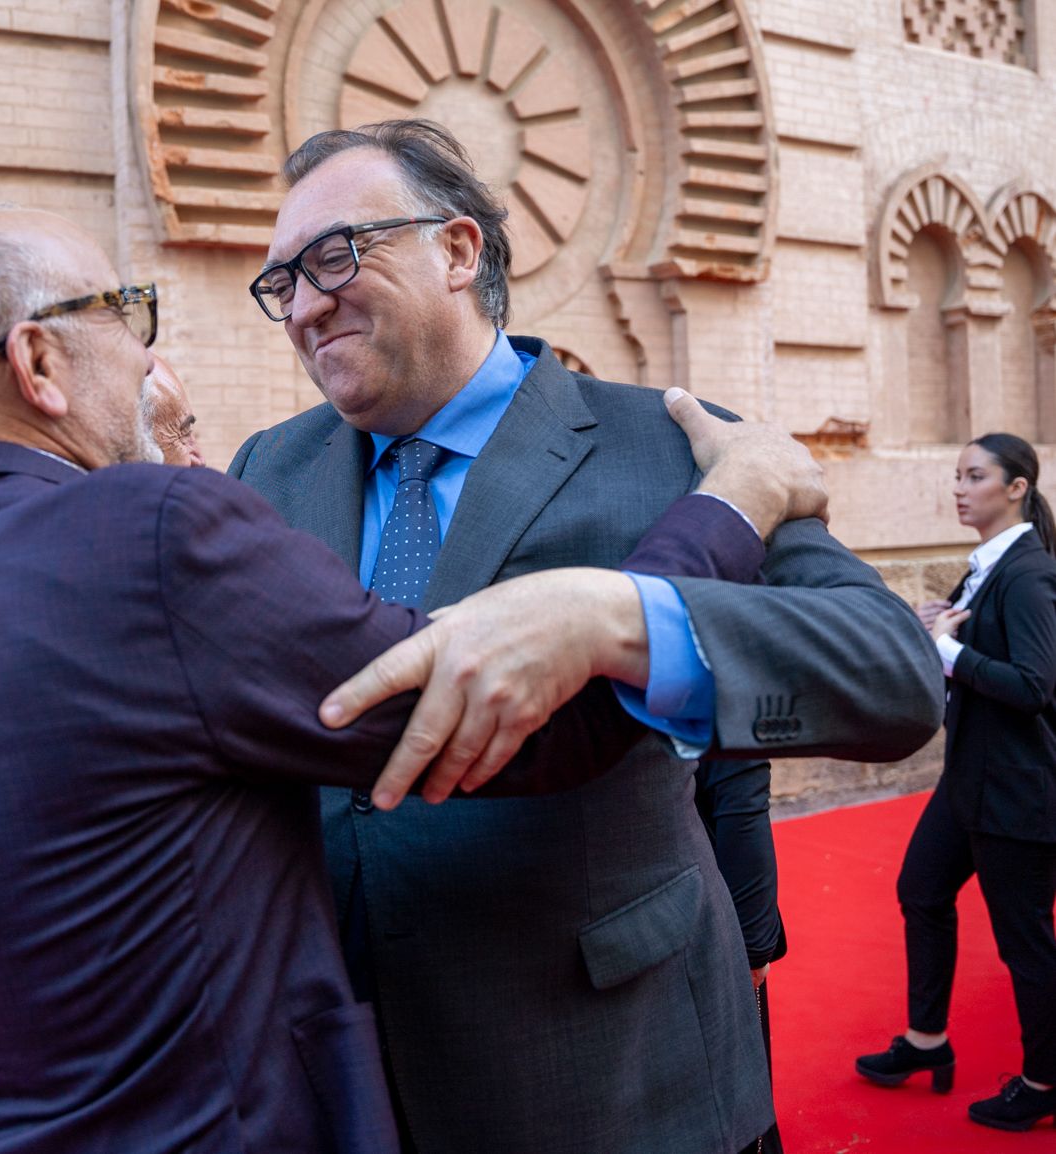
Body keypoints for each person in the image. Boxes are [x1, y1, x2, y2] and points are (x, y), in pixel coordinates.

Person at [0, 202, 836, 1154]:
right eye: (121, 310)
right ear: (38, 360)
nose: (148, 349)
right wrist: (725, 512)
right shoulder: (148, 534)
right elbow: (498, 716)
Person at [230, 118, 944, 1153]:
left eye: (333, 256)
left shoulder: (671, 439)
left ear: (458, 250)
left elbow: (892, 671)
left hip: (616, 1076)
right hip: (351, 1084)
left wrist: (623, 619)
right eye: (279, 282)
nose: (302, 304)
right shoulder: (267, 469)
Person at [855, 432, 1056, 1131]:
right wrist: (931, 629)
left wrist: (945, 649)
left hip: (1016, 788)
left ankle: (1042, 1081)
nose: (957, 488)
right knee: (920, 891)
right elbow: (971, 651)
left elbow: (1034, 686)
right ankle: (925, 1041)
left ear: (1015, 488)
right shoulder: (985, 567)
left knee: (1023, 940)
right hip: (968, 778)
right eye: (956, 476)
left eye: (974, 476)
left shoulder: (1027, 573)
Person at [696, 757, 788, 1154]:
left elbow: (741, 795)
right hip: (697, 909)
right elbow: (741, 797)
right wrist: (752, 946)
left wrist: (751, 945)